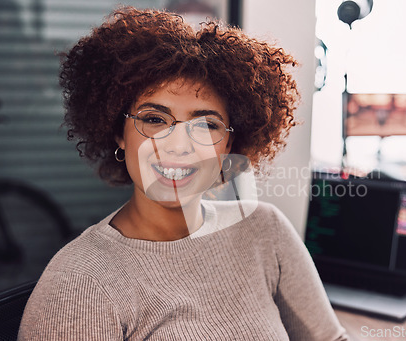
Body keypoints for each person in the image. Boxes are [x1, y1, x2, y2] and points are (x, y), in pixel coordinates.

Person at [18, 6, 348, 341]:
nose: (178, 146)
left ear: (229, 142)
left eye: (206, 125)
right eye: (154, 119)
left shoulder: (264, 230)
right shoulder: (81, 282)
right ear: (119, 131)